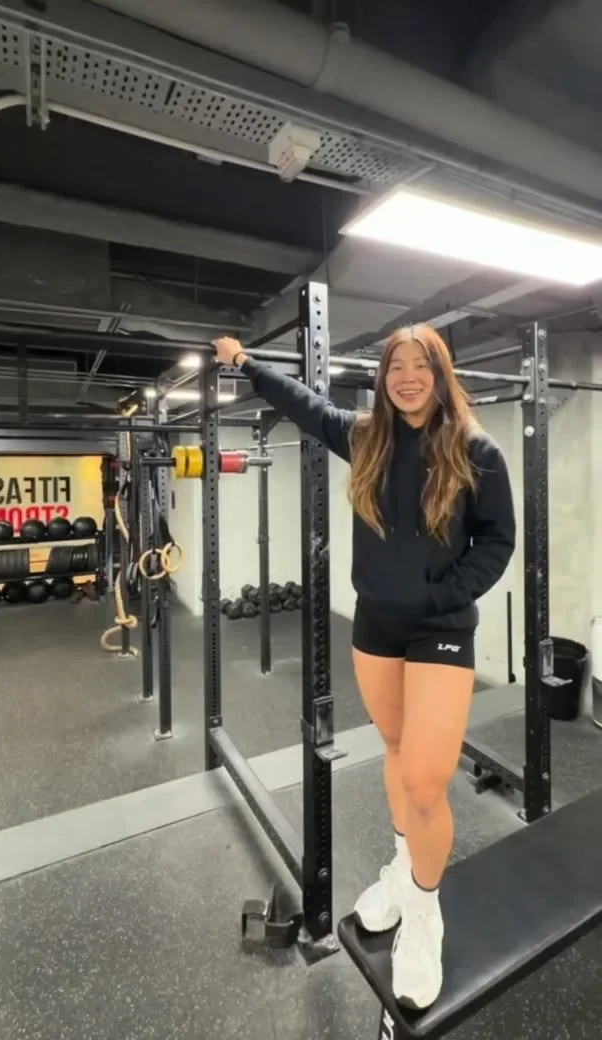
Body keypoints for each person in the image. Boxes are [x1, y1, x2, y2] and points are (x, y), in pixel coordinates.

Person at [213, 325, 515, 1012]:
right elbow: (302, 404)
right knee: (397, 751)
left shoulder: (476, 450)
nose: (407, 377)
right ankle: (405, 869)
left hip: (440, 628)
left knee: (427, 781)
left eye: (420, 366)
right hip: (377, 626)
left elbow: (498, 540)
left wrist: (442, 594)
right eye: (395, 367)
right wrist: (246, 363)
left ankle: (425, 913)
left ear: (440, 373)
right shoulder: (366, 437)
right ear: (382, 378)